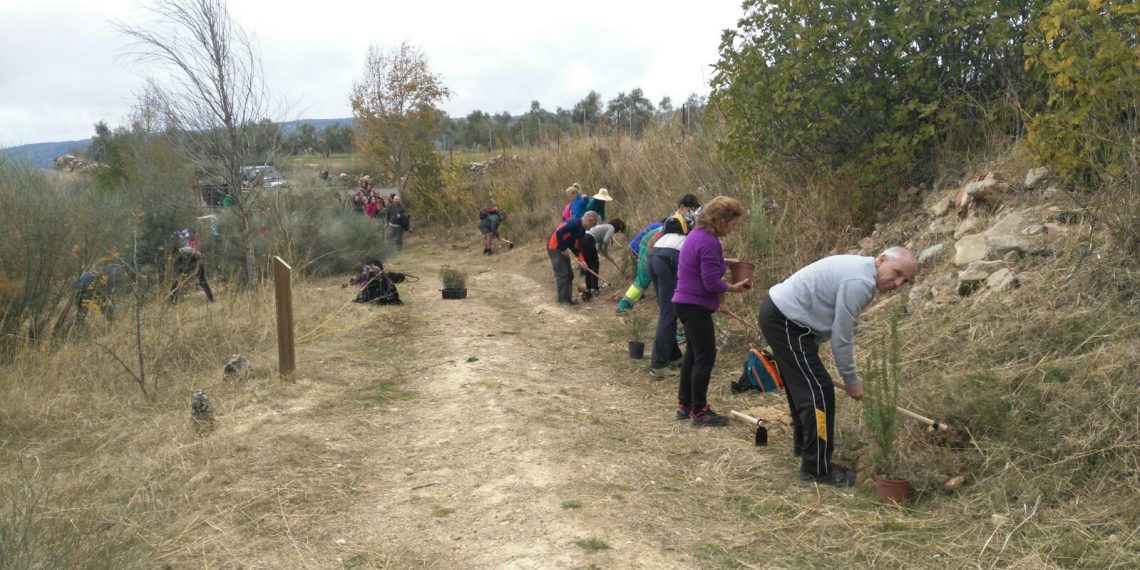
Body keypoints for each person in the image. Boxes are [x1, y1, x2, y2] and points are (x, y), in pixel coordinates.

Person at [758, 246, 917, 486]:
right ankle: (816, 470)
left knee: (806, 388)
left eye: (905, 280)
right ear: (882, 260)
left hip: (784, 318)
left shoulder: (862, 273)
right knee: (819, 392)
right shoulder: (860, 282)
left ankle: (807, 447)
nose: (898, 283)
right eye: (897, 273)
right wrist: (851, 381)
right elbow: (841, 339)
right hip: (787, 322)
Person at [672, 196, 749, 427]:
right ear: (721, 220)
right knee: (705, 357)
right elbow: (711, 283)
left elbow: (703, 264)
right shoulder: (710, 242)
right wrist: (732, 288)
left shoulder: (696, 235)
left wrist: (723, 262)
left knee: (693, 354)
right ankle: (700, 411)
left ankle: (685, 405)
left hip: (684, 303)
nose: (733, 228)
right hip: (695, 306)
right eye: (733, 223)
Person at [648, 193, 701, 377]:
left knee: (667, 311)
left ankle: (673, 355)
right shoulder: (695, 227)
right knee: (669, 313)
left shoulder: (673, 224)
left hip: (654, 256)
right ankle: (658, 364)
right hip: (668, 259)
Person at [547, 211, 599, 305]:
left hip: (562, 248)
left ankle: (568, 298)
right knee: (563, 274)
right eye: (594, 224)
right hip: (554, 247)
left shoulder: (582, 231)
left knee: (570, 274)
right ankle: (562, 299)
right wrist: (563, 248)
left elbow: (577, 248)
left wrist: (582, 261)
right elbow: (559, 232)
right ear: (590, 219)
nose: (593, 227)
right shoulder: (574, 223)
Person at [616, 221, 664, 313]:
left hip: (642, 247)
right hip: (645, 247)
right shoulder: (664, 227)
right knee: (643, 279)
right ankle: (624, 305)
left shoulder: (660, 226)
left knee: (644, 278)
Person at [581, 217, 626, 296]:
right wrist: (606, 253)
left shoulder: (603, 227)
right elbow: (605, 241)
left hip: (583, 239)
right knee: (595, 265)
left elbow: (599, 247)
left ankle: (589, 288)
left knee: (589, 265)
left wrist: (606, 255)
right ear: (618, 228)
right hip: (589, 240)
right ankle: (594, 289)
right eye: (619, 231)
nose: (616, 233)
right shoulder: (611, 228)